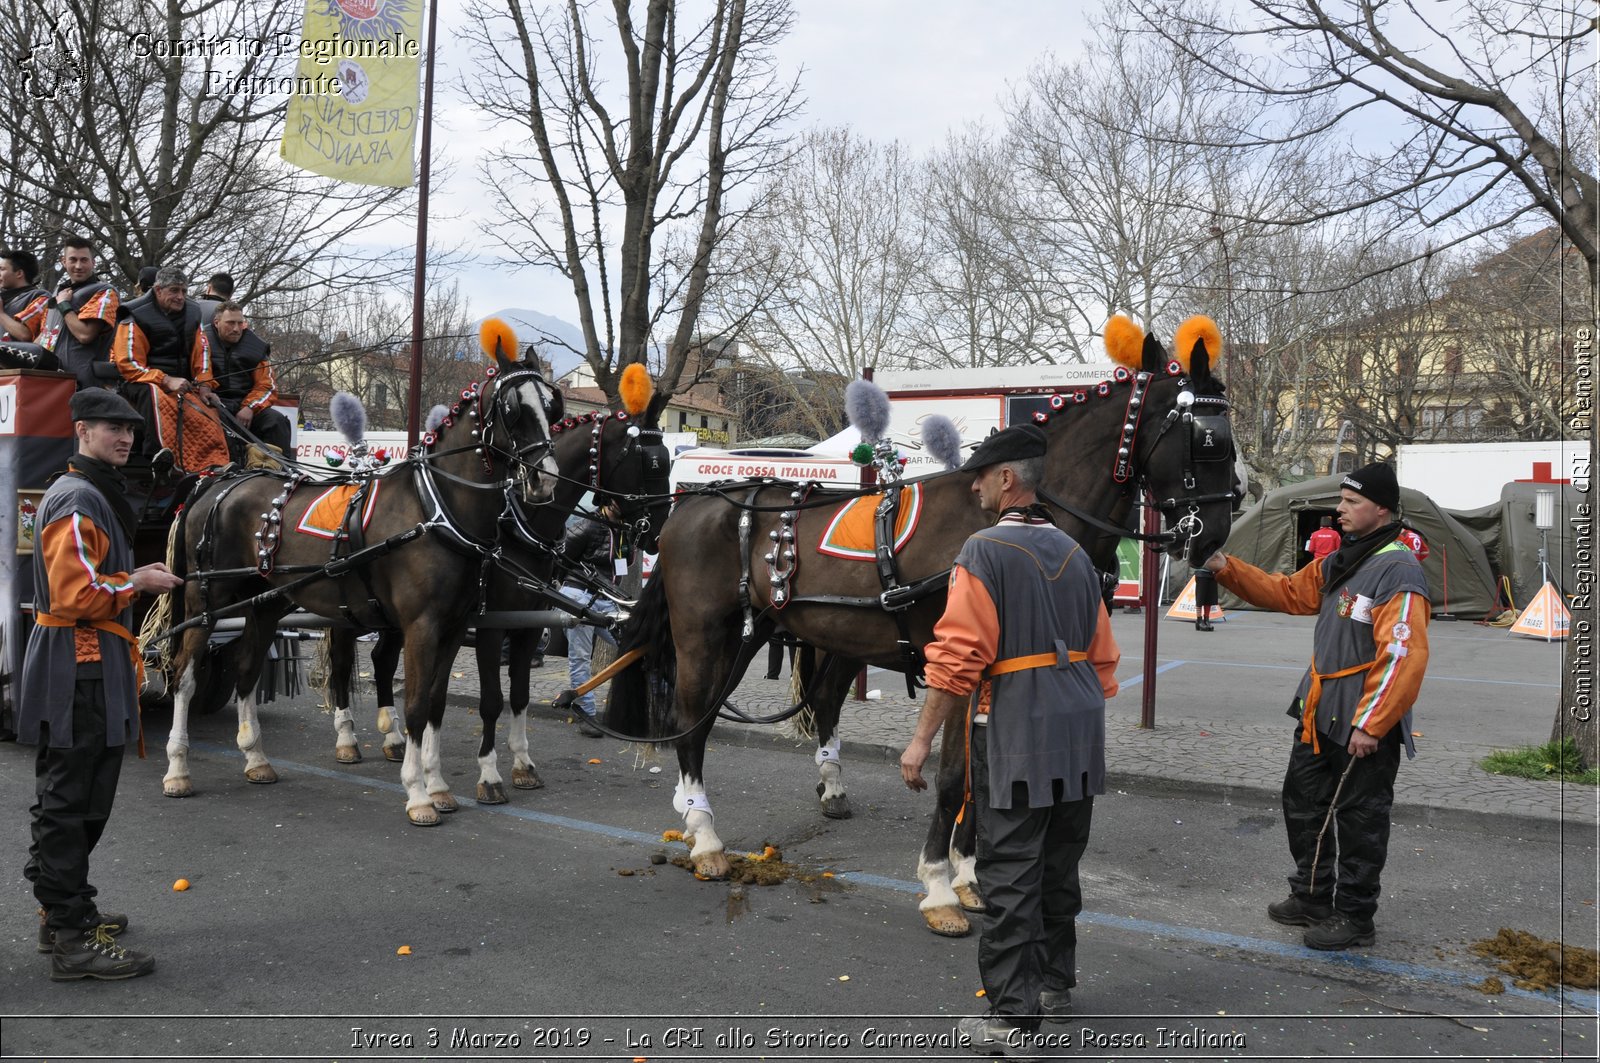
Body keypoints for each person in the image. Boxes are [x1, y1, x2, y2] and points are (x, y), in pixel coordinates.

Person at [899, 424, 1120, 1055]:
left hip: (1018, 731)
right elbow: (1104, 658)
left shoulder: (983, 551)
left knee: (1010, 873)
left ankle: (1010, 1019)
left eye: (979, 476)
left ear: (1006, 480)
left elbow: (957, 658)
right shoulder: (1078, 555)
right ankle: (1053, 984)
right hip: (1079, 734)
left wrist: (920, 740)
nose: (972, 487)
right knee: (1058, 864)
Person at [1202, 461, 1430, 952]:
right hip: (1318, 709)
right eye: (1342, 500)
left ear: (1382, 509)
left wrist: (1371, 725)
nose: (1340, 509)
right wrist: (1225, 567)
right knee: (1304, 803)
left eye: (1351, 502)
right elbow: (1288, 593)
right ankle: (1311, 896)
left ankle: (1354, 916)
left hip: (1361, 721)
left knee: (1360, 819)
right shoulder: (1343, 558)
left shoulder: (1397, 567)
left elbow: (1403, 654)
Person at [19, 389, 185, 980]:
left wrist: (131, 580)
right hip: (78, 661)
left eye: (132, 432)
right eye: (113, 427)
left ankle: (62, 911)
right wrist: (136, 580)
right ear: (82, 430)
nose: (125, 438)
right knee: (71, 800)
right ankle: (69, 939)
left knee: (81, 796)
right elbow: (75, 595)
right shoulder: (77, 498)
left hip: (93, 659)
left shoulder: (88, 491)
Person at [111, 266, 229, 473]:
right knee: (153, 395)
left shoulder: (194, 312)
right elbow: (128, 363)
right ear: (158, 290)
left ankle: (215, 465)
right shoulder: (134, 314)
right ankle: (157, 460)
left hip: (182, 383)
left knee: (211, 408)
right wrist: (165, 380)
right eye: (174, 291)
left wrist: (204, 384)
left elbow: (202, 355)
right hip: (141, 381)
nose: (180, 297)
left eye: (184, 291)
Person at [559, 499, 624, 737]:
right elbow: (562, 558)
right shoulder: (587, 526)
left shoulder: (624, 528)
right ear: (608, 502)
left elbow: (624, 562)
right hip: (579, 595)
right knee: (580, 658)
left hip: (607, 598)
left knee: (632, 647)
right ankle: (586, 714)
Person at [205, 300, 292, 455]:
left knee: (276, 421)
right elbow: (197, 374)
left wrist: (250, 407)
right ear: (216, 323)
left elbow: (267, 385)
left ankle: (282, 472)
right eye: (230, 323)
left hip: (245, 405)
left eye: (240, 323)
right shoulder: (201, 341)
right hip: (214, 405)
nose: (236, 329)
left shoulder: (256, 346)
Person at [38, 237, 120, 388]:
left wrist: (64, 305)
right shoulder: (58, 292)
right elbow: (45, 337)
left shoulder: (104, 291)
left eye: (84, 260)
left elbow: (85, 335)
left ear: (93, 262)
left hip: (85, 383)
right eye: (73, 260)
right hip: (51, 379)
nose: (78, 266)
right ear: (64, 261)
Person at [0, 248, 57, 370]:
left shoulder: (40, 297)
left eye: (2, 269)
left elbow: (25, 335)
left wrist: (1, 314)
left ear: (19, 273)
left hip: (18, 374)